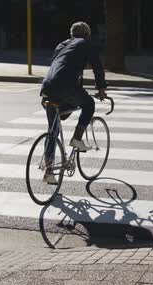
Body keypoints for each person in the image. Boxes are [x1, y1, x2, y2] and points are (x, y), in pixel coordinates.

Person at [40, 21, 108, 184]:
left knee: (53, 130)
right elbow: (97, 66)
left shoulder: (61, 45)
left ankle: (49, 172)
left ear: (72, 34)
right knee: (89, 104)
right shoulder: (85, 44)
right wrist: (101, 88)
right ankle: (77, 138)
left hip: (47, 89)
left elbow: (62, 67)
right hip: (66, 88)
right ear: (87, 35)